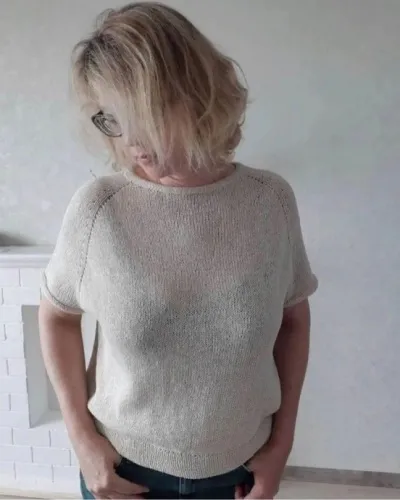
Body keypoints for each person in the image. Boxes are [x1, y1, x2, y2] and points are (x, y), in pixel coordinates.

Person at [39, 2, 318, 499]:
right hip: (124, 472)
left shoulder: (270, 201)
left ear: (194, 95)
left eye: (140, 116)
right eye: (111, 119)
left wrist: (282, 443)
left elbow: (293, 320)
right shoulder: (99, 209)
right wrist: (81, 440)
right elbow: (56, 315)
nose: (130, 142)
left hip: (238, 470)